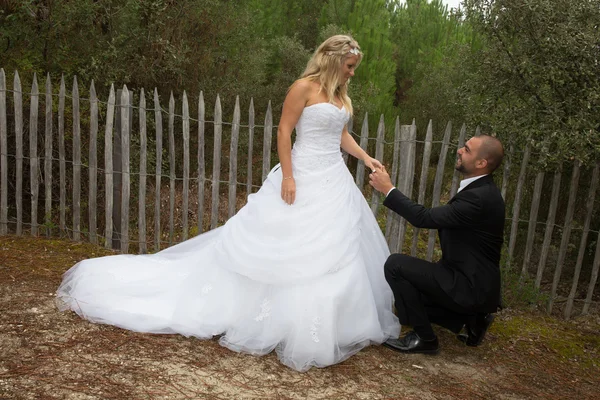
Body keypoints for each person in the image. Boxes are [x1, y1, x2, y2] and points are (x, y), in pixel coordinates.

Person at [56, 35, 400, 372]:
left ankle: (331, 323)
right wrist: (289, 177)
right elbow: (284, 132)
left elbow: (339, 134)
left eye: (354, 68)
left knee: (334, 250)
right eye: (350, 66)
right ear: (333, 60)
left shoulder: (340, 95)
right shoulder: (303, 88)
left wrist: (366, 157)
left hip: (333, 180)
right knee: (281, 245)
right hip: (302, 174)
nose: (353, 73)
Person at [368, 134, 505, 354]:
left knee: (395, 265)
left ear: (481, 163)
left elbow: (425, 218)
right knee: (404, 310)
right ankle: (469, 319)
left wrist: (388, 189)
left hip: (469, 285)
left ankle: (426, 339)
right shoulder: (481, 189)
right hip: (465, 277)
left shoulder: (479, 198)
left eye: (467, 150)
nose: (460, 150)